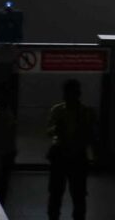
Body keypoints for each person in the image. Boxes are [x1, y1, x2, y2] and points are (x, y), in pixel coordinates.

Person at [47, 79, 96, 220]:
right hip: (73, 156)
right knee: (74, 194)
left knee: (67, 194)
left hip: (64, 155)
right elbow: (49, 130)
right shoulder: (85, 112)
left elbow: (49, 131)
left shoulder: (61, 110)